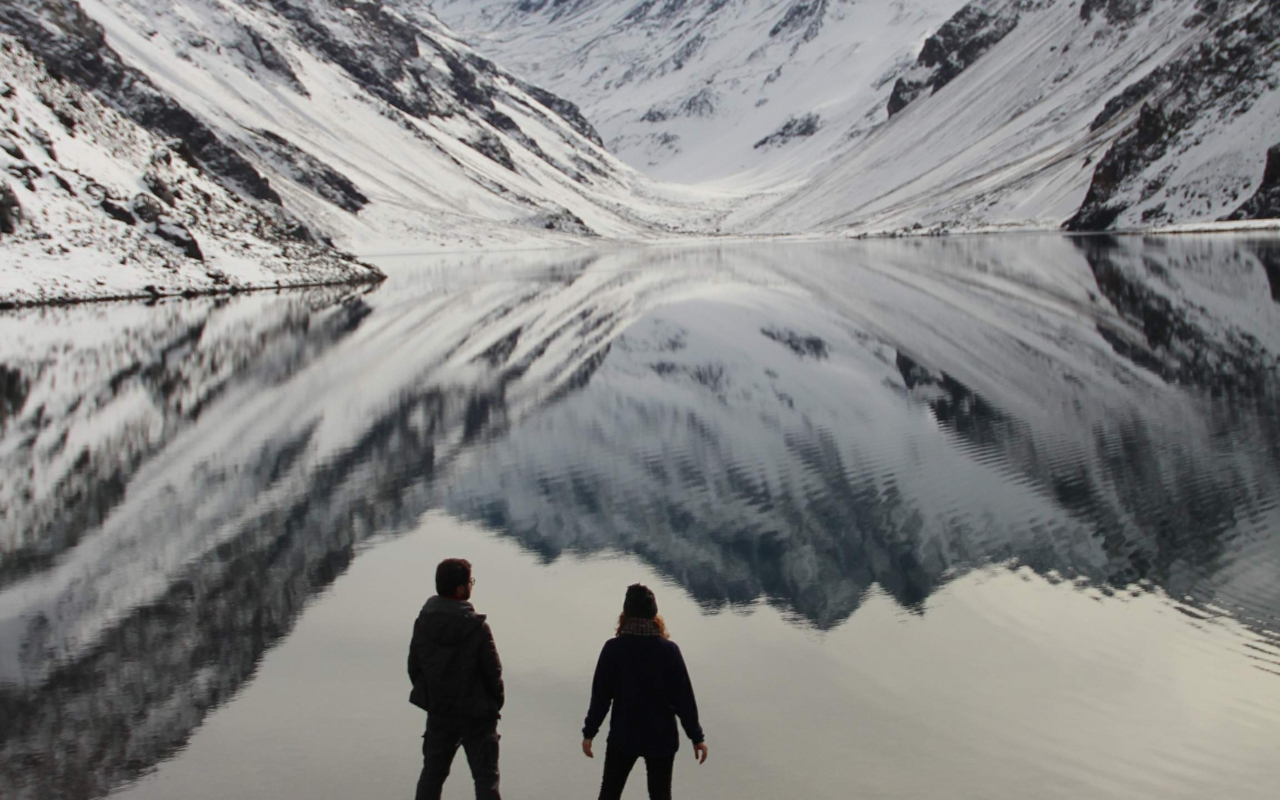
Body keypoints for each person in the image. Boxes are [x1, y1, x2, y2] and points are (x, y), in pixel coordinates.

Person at [582, 584, 708, 800]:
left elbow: (601, 698)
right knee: (660, 796)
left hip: (623, 734)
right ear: (653, 613)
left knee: (609, 793)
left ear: (626, 611)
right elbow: (684, 699)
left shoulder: (613, 649)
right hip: (662, 737)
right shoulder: (669, 651)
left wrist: (589, 732)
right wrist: (696, 737)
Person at [408, 558, 504, 800]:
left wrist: (432, 697)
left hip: (440, 713)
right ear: (460, 589)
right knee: (485, 779)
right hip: (477, 715)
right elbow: (493, 673)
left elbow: (414, 668)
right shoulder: (477, 628)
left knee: (432, 775)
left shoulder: (423, 623)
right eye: (470, 582)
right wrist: (493, 704)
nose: (471, 586)